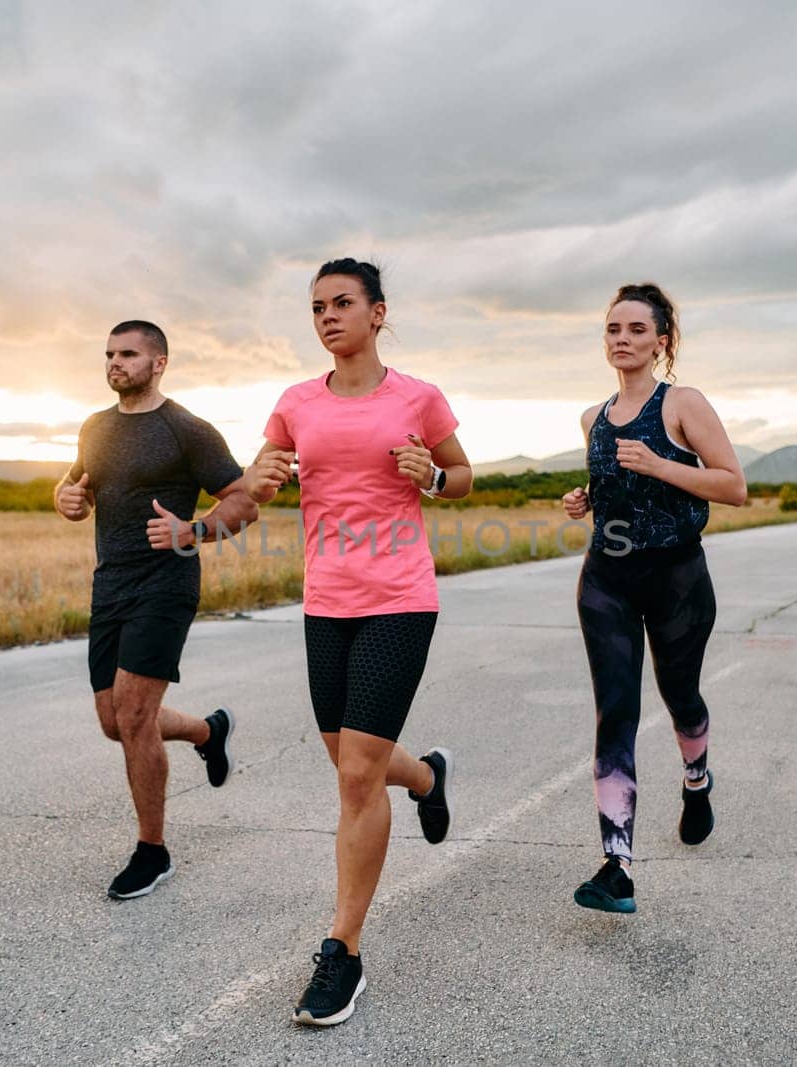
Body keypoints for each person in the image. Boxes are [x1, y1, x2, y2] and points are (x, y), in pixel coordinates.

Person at [245, 259, 473, 1026]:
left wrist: (432, 480)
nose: (327, 316)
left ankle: (342, 951)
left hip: (400, 599)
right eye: (317, 307)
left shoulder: (417, 396)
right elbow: (258, 472)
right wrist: (263, 477)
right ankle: (428, 779)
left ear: (378, 313)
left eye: (343, 303)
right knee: (352, 760)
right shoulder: (296, 402)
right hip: (326, 602)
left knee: (352, 777)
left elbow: (463, 473)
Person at [55, 319, 260, 900]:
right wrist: (66, 498)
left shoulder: (187, 431)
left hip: (165, 586)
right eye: (109, 354)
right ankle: (207, 731)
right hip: (110, 585)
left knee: (137, 716)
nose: (115, 363)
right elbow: (77, 487)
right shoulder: (94, 427)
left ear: (159, 363)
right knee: (114, 722)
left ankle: (153, 850)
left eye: (128, 354)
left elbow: (244, 504)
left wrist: (192, 532)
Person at [561, 283, 746, 914]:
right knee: (615, 713)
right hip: (606, 579)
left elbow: (733, 486)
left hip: (677, 580)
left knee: (681, 698)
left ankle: (696, 779)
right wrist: (586, 498)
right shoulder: (592, 418)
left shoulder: (681, 404)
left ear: (660, 341)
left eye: (637, 330)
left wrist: (662, 466)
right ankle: (618, 866)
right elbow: (612, 483)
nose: (622, 339)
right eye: (613, 329)